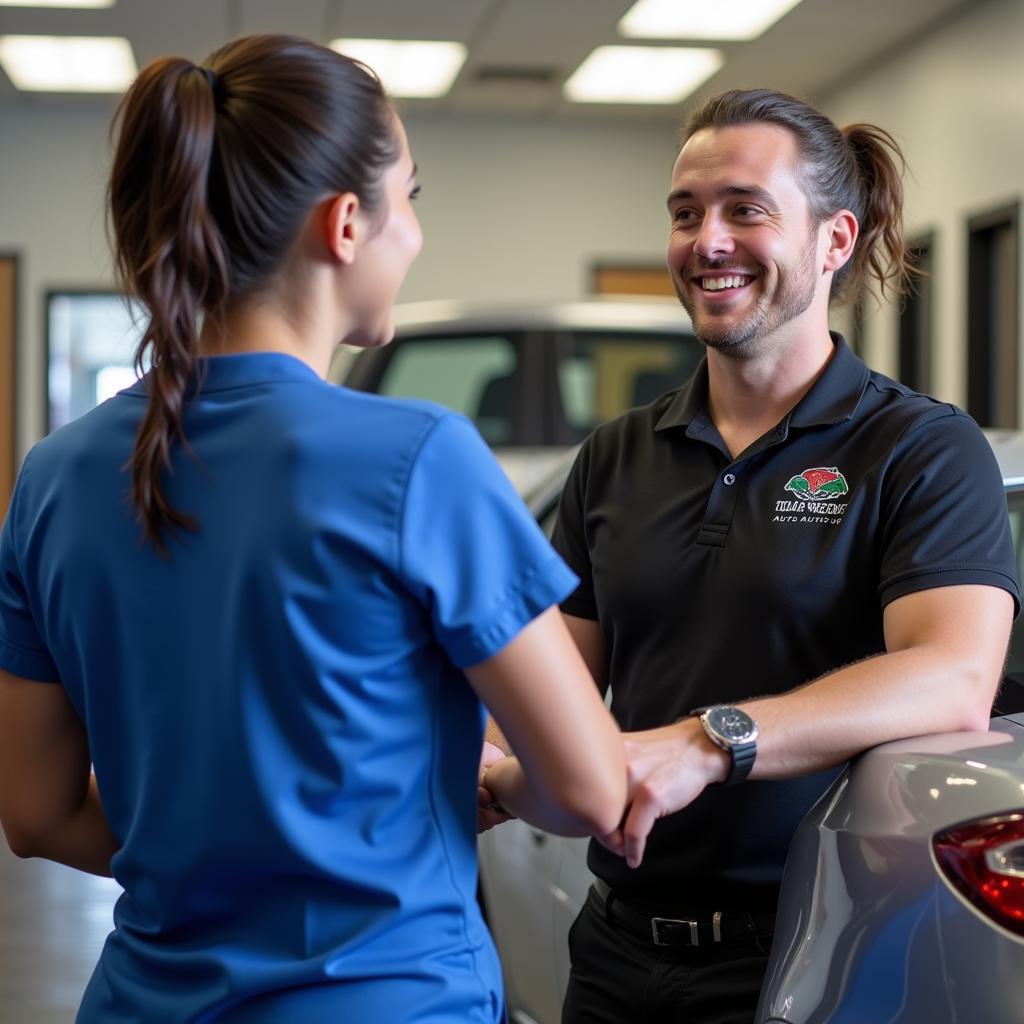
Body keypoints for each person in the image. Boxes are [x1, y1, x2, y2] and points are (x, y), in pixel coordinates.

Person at [0, 35, 628, 1023]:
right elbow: (590, 786)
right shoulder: (420, 457)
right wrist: (492, 788)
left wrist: (218, 845)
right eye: (410, 198)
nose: (414, 233)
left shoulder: (51, 478)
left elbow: (35, 813)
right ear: (345, 224)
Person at [551, 88, 1019, 1023]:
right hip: (614, 946)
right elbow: (557, 683)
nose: (706, 241)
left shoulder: (918, 448)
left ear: (835, 240)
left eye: (745, 210)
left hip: (816, 951)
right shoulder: (614, 455)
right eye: (686, 213)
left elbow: (953, 675)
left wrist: (710, 740)